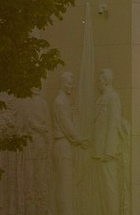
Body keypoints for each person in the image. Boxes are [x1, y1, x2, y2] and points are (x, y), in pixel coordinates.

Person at [52, 71, 87, 215]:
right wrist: (80, 140)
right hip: (63, 145)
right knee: (65, 184)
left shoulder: (64, 101)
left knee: (66, 183)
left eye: (72, 84)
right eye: (68, 83)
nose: (71, 86)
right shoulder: (60, 101)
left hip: (65, 144)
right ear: (62, 84)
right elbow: (67, 126)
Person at [93, 69, 125, 215]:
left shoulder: (113, 97)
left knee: (110, 187)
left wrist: (109, 151)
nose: (98, 83)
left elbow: (114, 124)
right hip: (99, 151)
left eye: (100, 80)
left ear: (105, 81)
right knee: (102, 188)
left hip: (107, 153)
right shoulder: (101, 99)